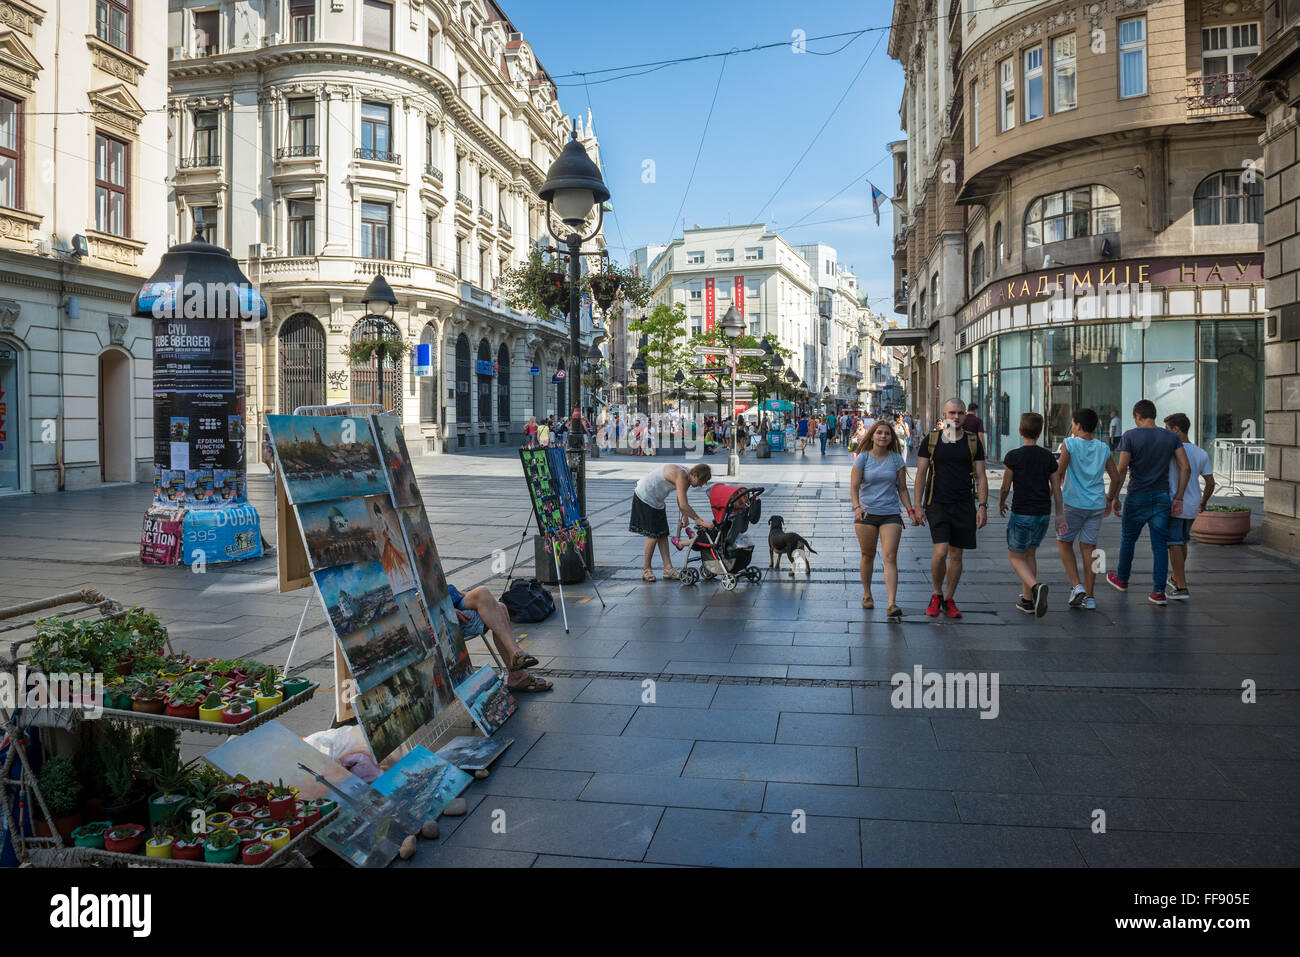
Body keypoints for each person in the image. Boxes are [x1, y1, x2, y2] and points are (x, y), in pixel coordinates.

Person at [1105, 399, 1191, 606]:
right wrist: (1178, 497)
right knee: (1159, 545)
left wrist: (1114, 496)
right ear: (1153, 414)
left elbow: (1123, 468)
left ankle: (1123, 579)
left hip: (1137, 496)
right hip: (1162, 496)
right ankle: (1158, 592)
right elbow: (1185, 467)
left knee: (1128, 539)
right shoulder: (1171, 436)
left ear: (1137, 416)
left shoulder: (1130, 436)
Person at [913, 398, 988, 619]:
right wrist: (917, 505)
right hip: (937, 503)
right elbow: (920, 474)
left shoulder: (973, 442)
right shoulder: (931, 440)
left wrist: (982, 506)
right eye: (952, 413)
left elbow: (982, 476)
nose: (956, 417)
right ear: (944, 415)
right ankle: (936, 594)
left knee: (957, 554)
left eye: (960, 413)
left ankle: (948, 598)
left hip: (964, 504)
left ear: (966, 416)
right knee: (941, 551)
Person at [999, 412, 1067, 618]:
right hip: (1042, 514)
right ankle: (1028, 600)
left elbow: (1005, 486)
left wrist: (1001, 502)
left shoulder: (1013, 456)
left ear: (1020, 431)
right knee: (1030, 554)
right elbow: (1056, 487)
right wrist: (1059, 514)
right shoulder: (1048, 457)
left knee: (1015, 556)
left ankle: (1036, 587)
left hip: (1022, 512)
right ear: (1040, 432)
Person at [1054, 407, 1121, 610]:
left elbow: (1059, 473)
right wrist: (1109, 500)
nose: (1072, 427)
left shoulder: (1070, 444)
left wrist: (1053, 494)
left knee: (1064, 543)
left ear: (1079, 425)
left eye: (1073, 423)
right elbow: (1116, 478)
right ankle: (1090, 597)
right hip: (1096, 505)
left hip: (1073, 503)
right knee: (1090, 548)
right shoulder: (1103, 448)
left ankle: (1077, 585)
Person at [851, 419, 912, 619]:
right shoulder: (863, 458)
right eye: (879, 433)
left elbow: (902, 489)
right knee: (867, 555)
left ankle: (892, 603)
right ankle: (867, 594)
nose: (883, 436)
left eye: (886, 433)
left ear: (891, 437)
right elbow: (854, 486)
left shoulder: (896, 460)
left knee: (890, 557)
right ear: (873, 436)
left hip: (890, 514)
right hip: (867, 514)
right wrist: (857, 507)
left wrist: (910, 510)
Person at [447, 583, 552, 692]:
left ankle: (516, 664)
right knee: (499, 609)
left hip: (451, 599)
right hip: (441, 613)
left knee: (490, 599)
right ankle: (517, 666)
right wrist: (448, 610)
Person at [630, 463, 714, 581]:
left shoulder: (688, 476)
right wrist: (699, 521)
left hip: (656, 500)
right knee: (653, 535)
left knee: (663, 534)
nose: (701, 485)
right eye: (702, 481)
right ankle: (646, 568)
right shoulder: (682, 475)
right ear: (695, 475)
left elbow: (681, 498)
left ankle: (668, 568)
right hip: (645, 496)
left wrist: (685, 515)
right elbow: (684, 503)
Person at [1163, 412, 1215, 600]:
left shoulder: (1171, 450)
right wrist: (1203, 502)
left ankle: (1181, 586)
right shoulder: (1201, 452)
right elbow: (1210, 482)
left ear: (1176, 429)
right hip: (1193, 504)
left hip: (1175, 502)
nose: (1166, 433)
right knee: (1181, 541)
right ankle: (1176, 578)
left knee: (1174, 543)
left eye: (1167, 429)